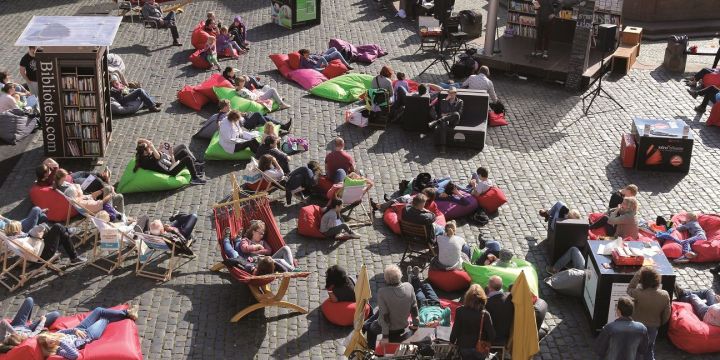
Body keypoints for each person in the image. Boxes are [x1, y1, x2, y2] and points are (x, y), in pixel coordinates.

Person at [37, 305, 139, 359]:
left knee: (99, 310)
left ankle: (126, 313)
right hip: (87, 336)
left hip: (80, 329)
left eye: (48, 336)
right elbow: (74, 355)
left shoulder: (56, 334)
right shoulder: (59, 350)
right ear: (48, 346)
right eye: (48, 341)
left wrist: (74, 329)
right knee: (104, 318)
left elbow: (65, 331)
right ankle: (128, 314)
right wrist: (60, 343)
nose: (50, 338)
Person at [363, 265, 419, 351]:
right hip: (403, 324)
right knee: (378, 312)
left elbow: (385, 317)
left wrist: (385, 336)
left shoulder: (382, 292)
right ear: (400, 274)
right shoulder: (409, 286)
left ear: (386, 279)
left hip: (389, 329)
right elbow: (414, 308)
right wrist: (415, 324)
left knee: (371, 328)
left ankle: (371, 350)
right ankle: (365, 326)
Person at [626, 267, 670, 360]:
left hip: (637, 326)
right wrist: (659, 323)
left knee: (636, 350)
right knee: (649, 349)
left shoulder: (638, 293)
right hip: (653, 327)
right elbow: (667, 314)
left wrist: (638, 274)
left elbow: (629, 288)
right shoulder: (665, 295)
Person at [221, 219, 295, 272]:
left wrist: (258, 251)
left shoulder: (263, 242)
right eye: (260, 233)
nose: (262, 235)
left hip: (267, 262)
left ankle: (291, 267)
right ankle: (292, 270)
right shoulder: (246, 240)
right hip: (257, 265)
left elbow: (269, 251)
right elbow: (244, 249)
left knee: (286, 248)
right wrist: (256, 247)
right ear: (253, 232)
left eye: (263, 234)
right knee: (280, 260)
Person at [3, 221, 85, 265]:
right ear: (16, 231)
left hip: (41, 248)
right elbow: (34, 252)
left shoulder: (14, 238)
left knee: (58, 231)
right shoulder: (19, 241)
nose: (21, 230)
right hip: (42, 255)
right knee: (57, 227)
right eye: (20, 229)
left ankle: (74, 256)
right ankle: (74, 256)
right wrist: (39, 237)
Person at [450, 284, 496, 360]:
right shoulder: (485, 314)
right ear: (482, 298)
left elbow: (455, 330)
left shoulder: (460, 311)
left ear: (467, 297)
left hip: (464, 346)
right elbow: (492, 335)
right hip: (480, 347)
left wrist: (452, 341)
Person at [134, 138, 206, 185]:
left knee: (183, 152)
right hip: (169, 172)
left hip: (168, 166)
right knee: (187, 159)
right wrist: (152, 147)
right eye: (148, 148)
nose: (150, 148)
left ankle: (195, 169)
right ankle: (194, 178)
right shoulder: (147, 160)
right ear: (144, 151)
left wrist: (148, 143)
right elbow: (158, 157)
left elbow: (158, 158)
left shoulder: (145, 155)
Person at [428, 87, 464, 152]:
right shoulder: (444, 101)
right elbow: (442, 112)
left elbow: (459, 113)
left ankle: (436, 122)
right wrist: (445, 101)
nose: (452, 94)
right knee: (443, 124)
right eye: (450, 93)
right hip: (445, 120)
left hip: (454, 121)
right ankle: (443, 146)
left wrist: (447, 114)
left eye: (453, 93)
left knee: (456, 114)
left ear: (456, 93)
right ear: (448, 93)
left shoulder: (460, 102)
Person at [484, 276, 514, 346]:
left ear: (490, 287)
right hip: (508, 333)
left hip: (493, 336)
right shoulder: (509, 297)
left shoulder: (487, 303)